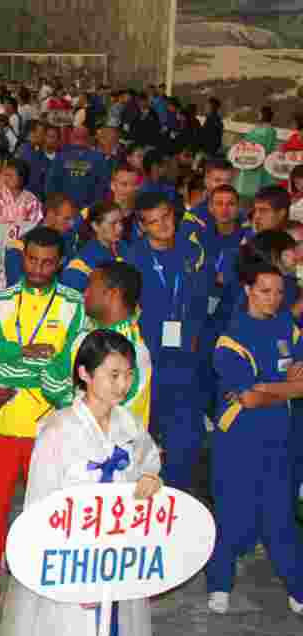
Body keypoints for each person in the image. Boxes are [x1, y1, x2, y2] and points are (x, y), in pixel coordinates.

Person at [0, 329, 162, 636]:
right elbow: (40, 501)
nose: (123, 385)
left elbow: (147, 457)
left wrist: (150, 476)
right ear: (84, 374)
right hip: (72, 553)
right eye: (113, 374)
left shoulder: (128, 423)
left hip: (114, 551)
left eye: (127, 375)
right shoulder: (59, 429)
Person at [0, 226, 86, 620]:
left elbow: (71, 363)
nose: (37, 268)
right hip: (1, 423)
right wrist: (26, 355)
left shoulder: (74, 304)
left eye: (47, 262)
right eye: (32, 260)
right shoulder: (0, 301)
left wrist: (16, 367)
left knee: (48, 510)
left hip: (51, 426)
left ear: (60, 263)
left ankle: (42, 581)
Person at [207, 259, 303, 615]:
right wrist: (289, 388)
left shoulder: (287, 326)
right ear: (247, 290)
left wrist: (272, 388)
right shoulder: (231, 336)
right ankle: (219, 586)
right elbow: (247, 398)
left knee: (281, 516)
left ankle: (298, 589)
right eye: (265, 291)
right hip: (238, 440)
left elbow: (287, 383)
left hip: (279, 436)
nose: (273, 299)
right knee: (231, 513)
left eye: (279, 292)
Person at [124, 192, 213, 494]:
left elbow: (203, 301)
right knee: (140, 436)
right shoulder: (132, 258)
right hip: (147, 358)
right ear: (142, 225)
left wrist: (198, 340)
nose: (162, 225)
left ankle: (180, 502)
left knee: (185, 439)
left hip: (186, 357)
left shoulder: (193, 252)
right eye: (153, 221)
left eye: (166, 217)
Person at [44, 261, 152, 428]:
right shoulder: (82, 336)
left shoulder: (134, 351)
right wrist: (77, 401)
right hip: (73, 444)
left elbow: (108, 411)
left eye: (90, 286)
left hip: (114, 450)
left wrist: (72, 400)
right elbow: (50, 380)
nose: (84, 293)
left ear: (112, 294)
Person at [60, 200, 126, 292]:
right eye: (113, 223)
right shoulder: (81, 266)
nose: (120, 228)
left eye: (121, 222)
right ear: (95, 226)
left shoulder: (125, 248)